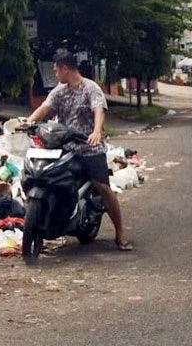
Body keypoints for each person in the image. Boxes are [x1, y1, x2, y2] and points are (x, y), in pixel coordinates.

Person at [26, 49, 133, 251]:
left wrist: (97, 131)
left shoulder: (90, 88)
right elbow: (45, 108)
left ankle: (120, 232)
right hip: (64, 147)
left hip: (89, 148)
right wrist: (28, 121)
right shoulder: (60, 90)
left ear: (66, 68)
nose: (55, 74)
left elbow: (98, 110)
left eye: (56, 70)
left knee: (103, 188)